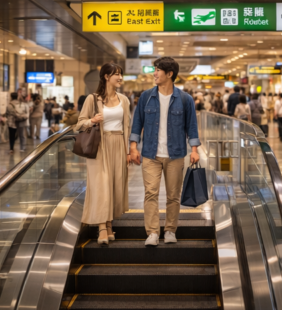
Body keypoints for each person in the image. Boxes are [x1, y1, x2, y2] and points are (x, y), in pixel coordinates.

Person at [129, 57, 201, 248]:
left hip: (176, 154)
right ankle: (152, 232)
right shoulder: (146, 97)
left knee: (173, 195)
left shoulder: (185, 99)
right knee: (150, 193)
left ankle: (170, 230)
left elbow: (191, 127)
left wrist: (194, 150)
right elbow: (137, 123)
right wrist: (133, 147)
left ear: (169, 74)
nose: (154, 73)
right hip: (150, 154)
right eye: (155, 69)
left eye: (158, 70)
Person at [74, 62, 131, 246]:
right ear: (106, 77)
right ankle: (101, 228)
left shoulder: (124, 100)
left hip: (118, 144)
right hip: (100, 145)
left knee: (114, 185)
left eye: (121, 74)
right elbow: (79, 124)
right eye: (117, 74)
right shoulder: (93, 99)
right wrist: (92, 120)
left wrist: (128, 150)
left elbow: (126, 126)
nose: (120, 77)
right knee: (101, 185)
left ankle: (108, 223)